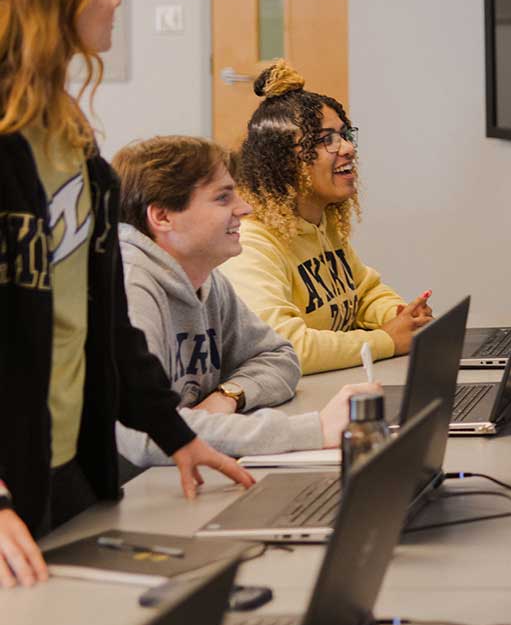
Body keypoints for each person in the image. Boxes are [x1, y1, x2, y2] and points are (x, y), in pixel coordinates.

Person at [0, 0, 253, 589]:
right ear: (55, 4)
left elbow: (107, 325)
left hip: (68, 464)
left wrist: (175, 432)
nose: (116, 0)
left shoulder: (74, 145)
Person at [112, 135, 382, 469]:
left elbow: (280, 357)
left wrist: (228, 397)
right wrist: (312, 430)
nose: (245, 208)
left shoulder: (206, 278)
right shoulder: (128, 287)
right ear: (163, 216)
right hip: (136, 496)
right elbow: (147, 434)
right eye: (223, 197)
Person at [217, 61, 432, 375]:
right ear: (283, 161)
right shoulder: (251, 243)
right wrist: (386, 340)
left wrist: (402, 316)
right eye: (325, 139)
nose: (346, 148)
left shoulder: (321, 221)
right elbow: (285, 345)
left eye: (344, 135)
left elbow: (364, 291)